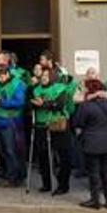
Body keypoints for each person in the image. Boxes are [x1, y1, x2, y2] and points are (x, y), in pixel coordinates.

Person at [71, 79, 107, 209]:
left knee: (94, 173)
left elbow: (77, 122)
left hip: (92, 142)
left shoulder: (85, 106)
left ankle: (95, 200)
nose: (83, 90)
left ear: (90, 90)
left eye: (85, 88)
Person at [31, 68, 72, 196]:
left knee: (62, 157)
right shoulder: (36, 89)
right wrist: (34, 104)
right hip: (41, 125)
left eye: (46, 75)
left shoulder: (60, 88)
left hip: (58, 125)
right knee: (43, 157)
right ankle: (46, 183)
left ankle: (63, 185)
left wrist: (43, 104)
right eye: (42, 75)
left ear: (53, 77)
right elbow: (31, 104)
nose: (43, 77)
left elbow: (59, 105)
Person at [0, 65, 26, 187]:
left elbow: (20, 102)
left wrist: (1, 102)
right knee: (3, 151)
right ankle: (7, 173)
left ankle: (14, 178)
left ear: (8, 74)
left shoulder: (18, 84)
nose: (0, 79)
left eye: (2, 76)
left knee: (11, 151)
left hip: (11, 122)